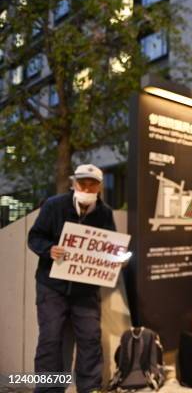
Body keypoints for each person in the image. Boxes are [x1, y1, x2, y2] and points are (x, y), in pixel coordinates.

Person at [28, 164, 116, 393]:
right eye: (82, 182)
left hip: (86, 289)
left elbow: (109, 246)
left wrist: (116, 259)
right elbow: (35, 236)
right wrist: (49, 249)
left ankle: (90, 388)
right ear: (74, 183)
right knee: (50, 339)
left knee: (90, 338)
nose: (86, 187)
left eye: (92, 183)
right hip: (51, 286)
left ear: (99, 187)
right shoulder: (53, 205)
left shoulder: (105, 213)